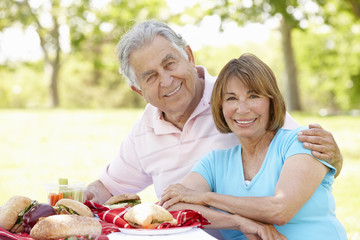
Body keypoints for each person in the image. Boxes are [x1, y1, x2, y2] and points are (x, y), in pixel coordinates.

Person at [84, 20, 343, 237]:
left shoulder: (239, 94)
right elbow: (122, 191)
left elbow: (305, 157)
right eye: (150, 76)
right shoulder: (209, 159)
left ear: (189, 56)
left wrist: (334, 160)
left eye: (170, 63)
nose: (241, 108)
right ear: (137, 90)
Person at [160, 54, 347, 239]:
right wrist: (239, 222)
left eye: (253, 96)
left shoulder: (302, 142)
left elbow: (280, 210)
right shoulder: (214, 162)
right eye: (231, 98)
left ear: (271, 101)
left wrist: (205, 198)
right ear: (221, 107)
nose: (242, 109)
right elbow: (171, 208)